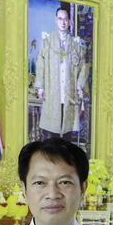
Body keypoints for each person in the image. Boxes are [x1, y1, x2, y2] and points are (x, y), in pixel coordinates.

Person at [35, 7, 88, 141]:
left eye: (65, 20)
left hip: (69, 91)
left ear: (69, 22)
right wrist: (40, 87)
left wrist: (80, 85)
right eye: (60, 19)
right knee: (52, 128)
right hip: (53, 90)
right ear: (56, 20)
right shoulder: (47, 40)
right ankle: (51, 151)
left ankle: (65, 151)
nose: (63, 23)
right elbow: (41, 64)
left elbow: (83, 67)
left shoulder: (75, 43)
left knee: (67, 130)